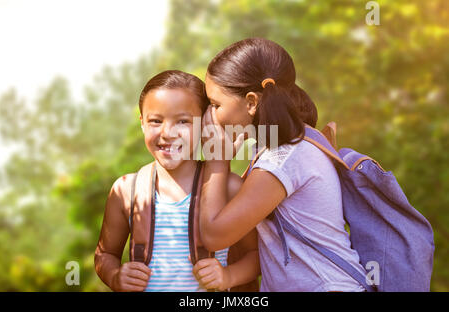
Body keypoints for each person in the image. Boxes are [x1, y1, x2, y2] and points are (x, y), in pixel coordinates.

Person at [199, 38, 367, 292]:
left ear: (252, 102)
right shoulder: (285, 147)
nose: (209, 116)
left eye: (215, 105)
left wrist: (217, 162)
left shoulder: (283, 160)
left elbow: (213, 235)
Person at [94, 70, 260, 292]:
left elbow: (258, 254)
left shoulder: (228, 187)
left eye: (183, 121)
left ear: (206, 124)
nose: (167, 133)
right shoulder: (125, 190)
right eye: (155, 121)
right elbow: (105, 254)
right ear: (142, 123)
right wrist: (115, 276)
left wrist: (228, 275)